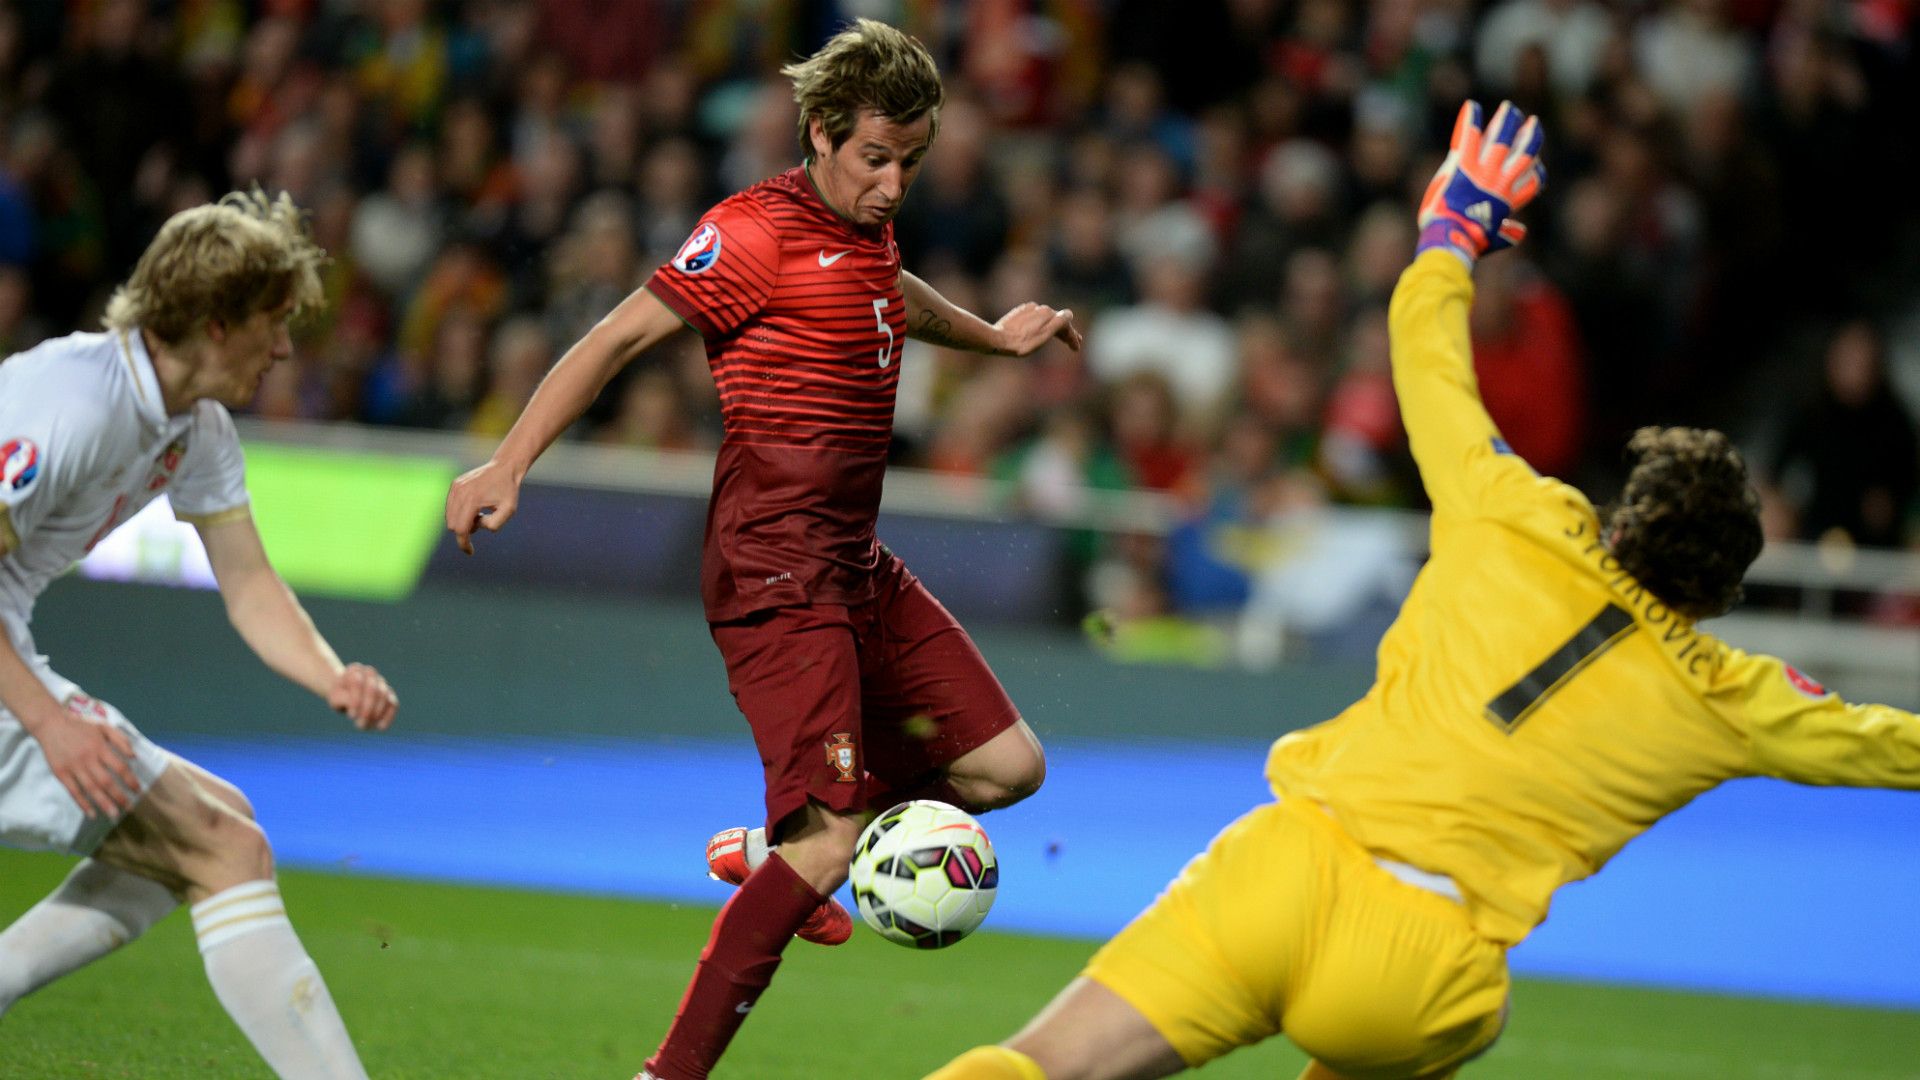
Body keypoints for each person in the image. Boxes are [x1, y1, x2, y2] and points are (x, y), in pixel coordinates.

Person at [925, 101, 1920, 1080]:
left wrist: (1451, 235)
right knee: (1472, 1014)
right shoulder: (1728, 699)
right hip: (1419, 970)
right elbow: (1888, 745)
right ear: (1721, 595)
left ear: (1620, 523)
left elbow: (1427, 355)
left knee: (1035, 1069)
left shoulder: (1513, 514)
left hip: (1289, 866)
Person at [442, 20, 1080, 1080]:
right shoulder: (749, 237)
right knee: (830, 843)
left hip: (855, 561)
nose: (892, 187)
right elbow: (611, 341)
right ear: (822, 134)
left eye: (910, 165)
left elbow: (886, 292)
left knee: (1009, 768)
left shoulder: (866, 228)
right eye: (875, 159)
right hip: (771, 572)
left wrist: (993, 336)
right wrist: (505, 463)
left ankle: (772, 857)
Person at [0, 190, 398, 1079]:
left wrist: (330, 675)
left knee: (222, 824)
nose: (287, 347)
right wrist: (50, 721)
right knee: (225, 848)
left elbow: (251, 586)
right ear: (217, 323)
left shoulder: (195, 428)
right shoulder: (67, 402)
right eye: (274, 321)